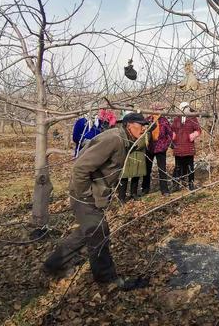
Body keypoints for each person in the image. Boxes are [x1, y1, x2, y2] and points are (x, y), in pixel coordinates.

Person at [43, 113, 153, 290]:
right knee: (99, 233)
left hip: (94, 194)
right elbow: (80, 168)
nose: (143, 129)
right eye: (141, 125)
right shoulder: (114, 139)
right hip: (84, 195)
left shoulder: (124, 138)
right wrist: (87, 194)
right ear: (130, 125)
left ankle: (53, 264)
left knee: (88, 232)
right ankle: (107, 280)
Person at [142, 103, 173, 196]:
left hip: (161, 148)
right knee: (147, 169)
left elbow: (170, 134)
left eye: (161, 109)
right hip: (149, 148)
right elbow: (143, 133)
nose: (161, 111)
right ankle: (145, 189)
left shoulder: (164, 120)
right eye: (159, 109)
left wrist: (166, 145)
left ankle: (164, 190)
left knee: (162, 170)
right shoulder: (147, 120)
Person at [172, 102, 201, 191]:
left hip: (188, 146)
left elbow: (198, 130)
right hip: (178, 146)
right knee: (178, 166)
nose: (186, 109)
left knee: (190, 166)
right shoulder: (176, 119)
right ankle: (177, 184)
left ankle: (191, 184)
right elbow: (172, 130)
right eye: (185, 108)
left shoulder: (192, 118)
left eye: (187, 107)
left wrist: (191, 136)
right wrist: (173, 140)